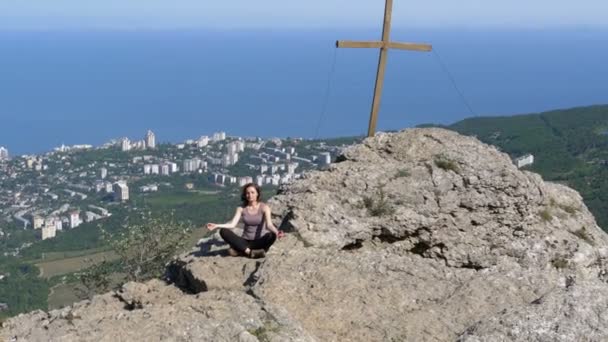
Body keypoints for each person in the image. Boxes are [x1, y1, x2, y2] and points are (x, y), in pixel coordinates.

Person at [206, 183, 284, 258]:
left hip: (259, 241)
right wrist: (216, 226)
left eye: (252, 192)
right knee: (223, 231)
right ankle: (249, 252)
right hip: (245, 242)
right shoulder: (241, 208)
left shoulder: (264, 208)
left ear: (257, 193)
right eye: (247, 193)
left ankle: (240, 251)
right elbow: (232, 224)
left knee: (272, 235)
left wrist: (277, 232)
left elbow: (269, 225)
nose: (250, 195)